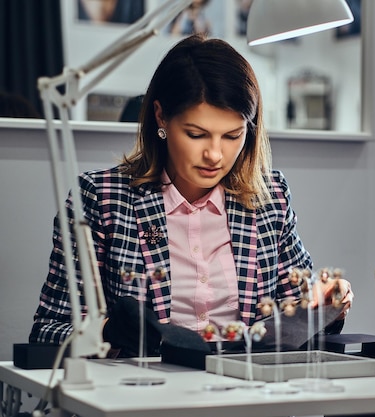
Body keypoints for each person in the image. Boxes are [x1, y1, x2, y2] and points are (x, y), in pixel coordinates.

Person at [29, 34, 353, 358]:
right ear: (161, 116)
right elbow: (48, 331)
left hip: (246, 394)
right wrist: (109, 332)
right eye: (196, 134)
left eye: (232, 135)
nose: (214, 154)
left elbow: (295, 310)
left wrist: (324, 306)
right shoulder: (101, 199)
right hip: (145, 397)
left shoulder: (270, 200)